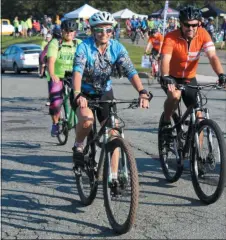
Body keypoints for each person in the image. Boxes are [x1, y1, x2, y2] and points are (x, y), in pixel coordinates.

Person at [71, 11, 151, 170]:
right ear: (93, 30)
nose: (104, 34)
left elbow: (130, 71)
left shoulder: (116, 47)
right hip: (84, 93)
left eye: (108, 30)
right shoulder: (84, 47)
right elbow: (77, 72)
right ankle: (78, 145)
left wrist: (142, 91)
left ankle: (113, 177)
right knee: (87, 120)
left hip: (104, 93)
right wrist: (77, 94)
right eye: (99, 30)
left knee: (114, 133)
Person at [160, 5, 226, 133]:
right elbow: (165, 59)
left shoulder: (203, 34)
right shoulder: (171, 37)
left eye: (194, 25)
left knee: (199, 118)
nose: (190, 28)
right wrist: (166, 76)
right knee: (174, 96)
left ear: (199, 23)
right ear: (181, 23)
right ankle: (166, 121)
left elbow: (212, 56)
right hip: (171, 77)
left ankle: (197, 152)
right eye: (187, 25)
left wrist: (221, 74)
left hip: (190, 78)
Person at [46, 20, 82, 136]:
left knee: (80, 100)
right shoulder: (56, 43)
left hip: (74, 76)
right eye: (67, 31)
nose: (69, 33)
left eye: (72, 31)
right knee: (56, 103)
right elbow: (51, 60)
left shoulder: (79, 43)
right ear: (62, 31)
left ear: (75, 32)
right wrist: (52, 74)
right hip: (58, 76)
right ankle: (55, 123)